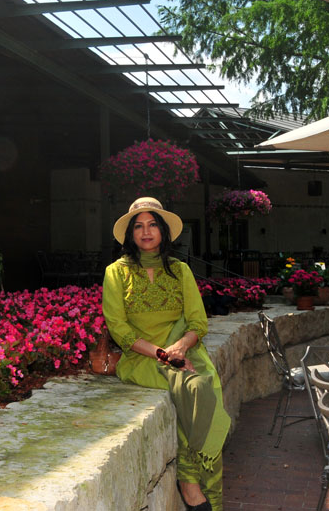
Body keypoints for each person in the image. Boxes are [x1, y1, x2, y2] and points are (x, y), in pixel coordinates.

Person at [102, 197, 230, 511]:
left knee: (201, 387)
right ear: (130, 233)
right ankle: (189, 480)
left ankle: (193, 480)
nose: (146, 232)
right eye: (139, 226)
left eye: (153, 224)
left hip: (183, 349)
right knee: (192, 389)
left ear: (163, 231)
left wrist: (181, 347)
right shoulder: (115, 273)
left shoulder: (181, 270)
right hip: (142, 357)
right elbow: (119, 329)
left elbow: (198, 322)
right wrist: (162, 354)